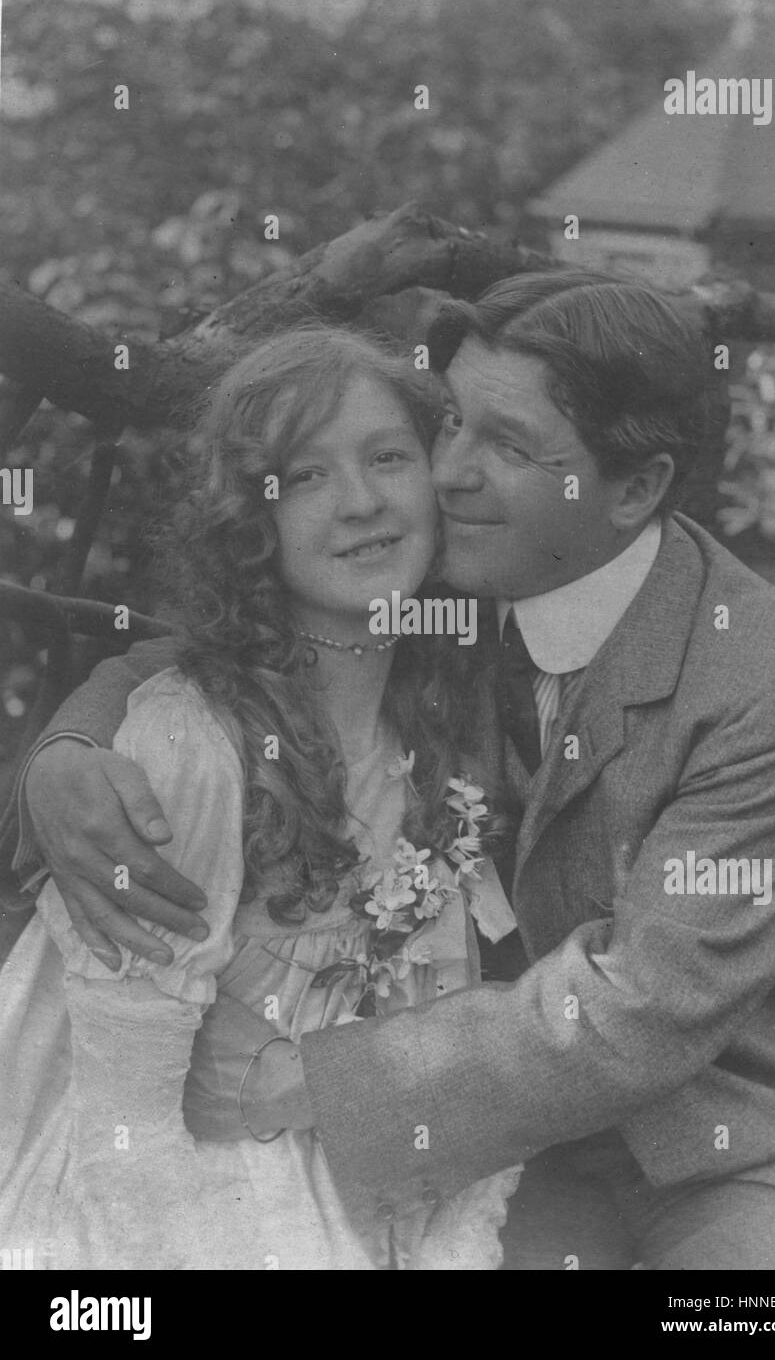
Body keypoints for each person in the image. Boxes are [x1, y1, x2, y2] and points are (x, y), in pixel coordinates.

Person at [11, 273, 775, 1269]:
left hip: (726, 1144)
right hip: (493, 1147)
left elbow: (641, 1007)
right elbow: (208, 660)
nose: (449, 473)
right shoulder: (446, 566)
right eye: (450, 422)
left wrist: (305, 1081)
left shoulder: (772, 680)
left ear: (634, 488)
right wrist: (61, 758)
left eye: (509, 445)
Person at [0, 324, 522, 1271]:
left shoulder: (440, 705)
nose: (362, 503)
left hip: (370, 1159)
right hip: (188, 1193)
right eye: (306, 478)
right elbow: (132, 1140)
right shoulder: (190, 743)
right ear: (250, 521)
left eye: (388, 458)